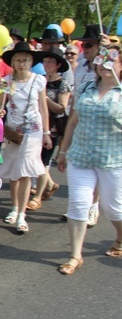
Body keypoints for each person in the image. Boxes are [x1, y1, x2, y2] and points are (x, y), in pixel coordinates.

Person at [56, 44, 122, 275]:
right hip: (80, 157)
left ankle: (120, 238)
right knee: (78, 205)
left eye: (112, 60)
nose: (106, 64)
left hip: (112, 160)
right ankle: (75, 256)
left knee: (114, 209)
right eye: (103, 59)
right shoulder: (86, 87)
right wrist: (63, 151)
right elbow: (73, 121)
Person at [0, 42, 52, 233]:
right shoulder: (6, 80)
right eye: (19, 60)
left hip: (33, 130)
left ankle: (22, 214)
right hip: (13, 131)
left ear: (31, 62)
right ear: (12, 62)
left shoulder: (38, 80)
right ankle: (14, 208)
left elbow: (43, 108)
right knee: (14, 171)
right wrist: (0, 113)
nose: (22, 64)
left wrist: (46, 133)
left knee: (25, 171)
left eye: (26, 60)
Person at [26, 47, 71, 211]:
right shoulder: (39, 80)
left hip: (51, 128)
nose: (46, 64)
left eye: (50, 61)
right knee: (34, 159)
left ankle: (37, 196)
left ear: (58, 64)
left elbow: (61, 108)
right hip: (35, 125)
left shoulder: (62, 84)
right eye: (45, 61)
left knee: (43, 162)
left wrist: (44, 98)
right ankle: (50, 184)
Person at [70, 25, 105, 226]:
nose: (85, 48)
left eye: (90, 45)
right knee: (83, 165)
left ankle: (94, 205)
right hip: (81, 120)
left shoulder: (109, 69)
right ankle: (81, 206)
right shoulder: (81, 66)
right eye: (83, 44)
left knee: (97, 165)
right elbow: (76, 96)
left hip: (101, 123)